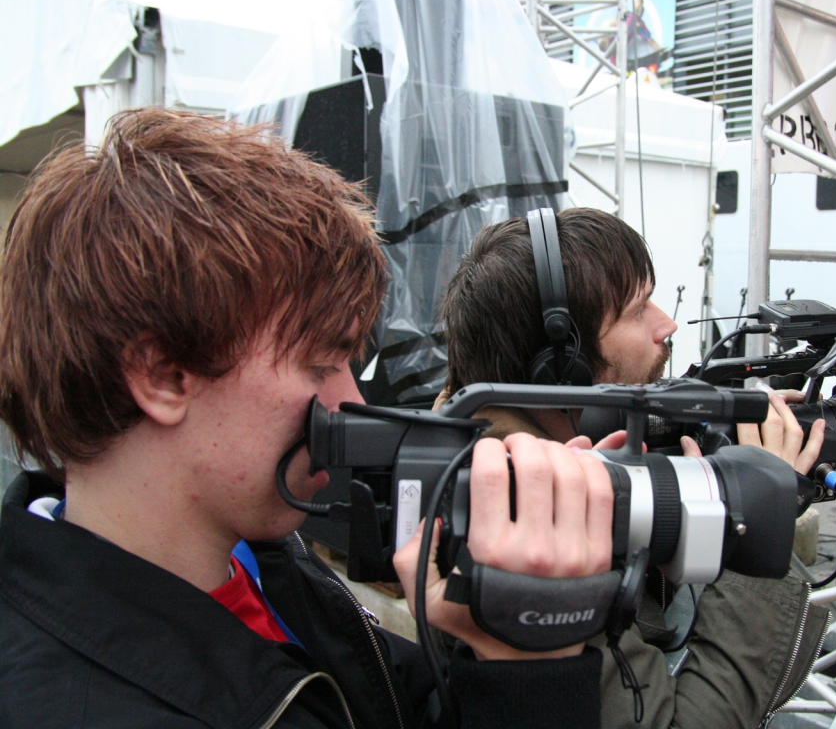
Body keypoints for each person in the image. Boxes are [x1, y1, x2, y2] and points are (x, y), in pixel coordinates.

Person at [0, 109, 615, 729]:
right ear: (164, 375)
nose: (351, 401)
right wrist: (535, 678)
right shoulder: (77, 707)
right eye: (322, 362)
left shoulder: (257, 556)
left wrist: (494, 641)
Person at [437, 207, 830, 728]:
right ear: (562, 364)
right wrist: (759, 518)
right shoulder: (526, 538)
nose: (667, 323)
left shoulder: (470, 447)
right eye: (637, 309)